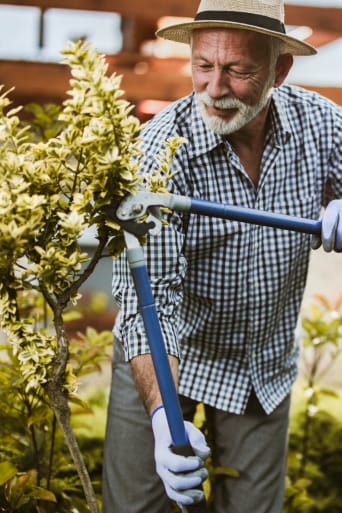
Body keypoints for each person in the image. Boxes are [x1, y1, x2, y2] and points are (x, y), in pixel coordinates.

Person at [102, 1, 342, 512]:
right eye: (204, 66)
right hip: (167, 356)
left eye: (238, 70)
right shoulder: (160, 153)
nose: (214, 89)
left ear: (279, 69)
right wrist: (164, 416)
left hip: (261, 360)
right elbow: (151, 307)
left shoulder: (321, 124)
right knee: (135, 507)